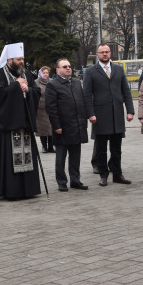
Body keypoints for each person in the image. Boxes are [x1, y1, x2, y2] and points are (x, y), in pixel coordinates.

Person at [0, 43, 42, 199]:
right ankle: (12, 190)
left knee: (28, 155)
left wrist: (28, 90)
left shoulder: (27, 74)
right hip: (8, 125)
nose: (22, 62)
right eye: (19, 59)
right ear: (10, 60)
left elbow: (36, 91)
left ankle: (28, 189)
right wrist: (16, 86)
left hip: (25, 122)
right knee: (10, 159)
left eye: (23, 59)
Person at [82, 44, 135, 187]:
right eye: (102, 52)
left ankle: (118, 174)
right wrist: (90, 114)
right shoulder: (91, 71)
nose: (104, 54)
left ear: (110, 53)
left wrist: (130, 110)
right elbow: (86, 95)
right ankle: (103, 175)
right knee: (101, 149)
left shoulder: (118, 69)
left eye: (107, 52)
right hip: (99, 116)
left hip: (117, 114)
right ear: (97, 54)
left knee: (117, 149)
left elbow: (126, 91)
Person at [45, 58, 89, 192]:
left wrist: (83, 121)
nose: (68, 68)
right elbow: (51, 108)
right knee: (61, 156)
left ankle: (75, 180)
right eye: (64, 66)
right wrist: (56, 126)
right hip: (62, 127)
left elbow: (82, 102)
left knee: (75, 156)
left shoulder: (76, 83)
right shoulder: (52, 85)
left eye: (69, 66)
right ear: (57, 70)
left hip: (77, 125)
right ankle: (62, 182)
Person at [34, 66, 54, 154]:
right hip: (40, 109)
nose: (45, 74)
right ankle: (44, 146)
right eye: (44, 73)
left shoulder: (52, 82)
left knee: (51, 128)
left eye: (47, 73)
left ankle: (51, 147)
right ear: (40, 73)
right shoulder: (36, 82)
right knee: (42, 129)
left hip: (51, 108)